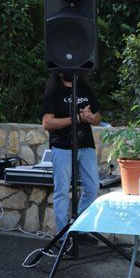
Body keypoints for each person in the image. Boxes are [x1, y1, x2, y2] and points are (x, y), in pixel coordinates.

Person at [41, 71, 101, 247]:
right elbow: (47, 123)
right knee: (62, 190)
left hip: (86, 144)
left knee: (92, 186)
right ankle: (62, 236)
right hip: (62, 146)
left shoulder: (84, 89)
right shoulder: (53, 91)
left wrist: (91, 118)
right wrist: (75, 118)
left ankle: (79, 229)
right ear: (59, 70)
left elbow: (98, 118)